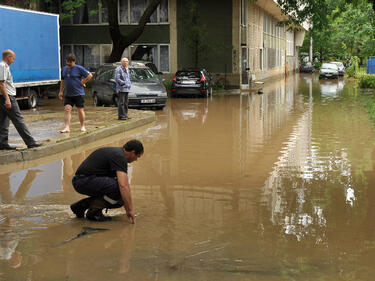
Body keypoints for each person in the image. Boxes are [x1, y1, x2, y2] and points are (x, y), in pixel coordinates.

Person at [70, 139, 144, 223]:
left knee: (120, 200)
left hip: (84, 181)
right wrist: (130, 210)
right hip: (82, 181)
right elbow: (123, 186)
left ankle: (82, 206)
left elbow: (124, 185)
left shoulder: (117, 154)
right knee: (118, 189)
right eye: (137, 156)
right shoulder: (120, 156)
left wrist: (127, 205)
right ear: (133, 152)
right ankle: (93, 213)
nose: (136, 159)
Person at [0, 49, 42, 150]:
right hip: (7, 96)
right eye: (13, 58)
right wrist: (7, 99)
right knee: (19, 120)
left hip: (3, 97)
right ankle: (31, 142)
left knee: (3, 121)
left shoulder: (3, 66)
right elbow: (1, 83)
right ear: (8, 57)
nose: (13, 61)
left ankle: (2, 143)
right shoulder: (3, 66)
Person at [58, 53, 92, 133]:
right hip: (68, 94)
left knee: (80, 110)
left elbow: (90, 75)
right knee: (67, 109)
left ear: (74, 61)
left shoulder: (79, 68)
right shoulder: (64, 69)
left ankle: (83, 126)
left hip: (78, 93)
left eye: (71, 62)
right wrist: (61, 91)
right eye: (68, 62)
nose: (69, 64)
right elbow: (63, 81)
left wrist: (83, 81)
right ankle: (67, 127)